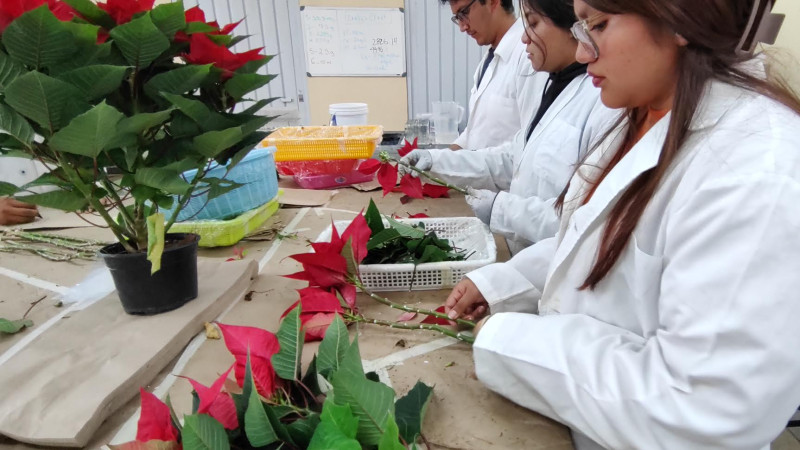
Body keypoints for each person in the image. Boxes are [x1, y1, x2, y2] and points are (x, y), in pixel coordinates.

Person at [444, 0, 800, 448]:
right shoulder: (649, 114)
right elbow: (591, 234)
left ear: (681, 19)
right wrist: (507, 282)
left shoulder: (754, 169)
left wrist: (513, 342)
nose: (582, 52)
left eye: (599, 24)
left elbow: (704, 409)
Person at [403, 0, 615, 254]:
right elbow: (513, 157)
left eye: (533, 23)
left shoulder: (602, 103)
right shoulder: (554, 85)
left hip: (543, 256)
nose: (525, 37)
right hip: (519, 247)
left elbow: (581, 220)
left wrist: (501, 209)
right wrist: (436, 161)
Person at [440, 0, 544, 150]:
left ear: (493, 2)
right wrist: (438, 160)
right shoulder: (488, 61)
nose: (462, 27)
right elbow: (474, 133)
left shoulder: (528, 56)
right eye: (457, 18)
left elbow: (530, 143)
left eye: (464, 13)